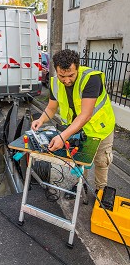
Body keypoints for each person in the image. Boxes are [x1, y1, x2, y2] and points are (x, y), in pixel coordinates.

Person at [31, 49, 115, 195]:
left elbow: (86, 114)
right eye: (62, 76)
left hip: (100, 129)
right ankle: (80, 185)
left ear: (77, 67)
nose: (67, 80)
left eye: (71, 75)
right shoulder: (55, 82)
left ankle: (100, 190)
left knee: (101, 161)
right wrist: (41, 119)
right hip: (76, 129)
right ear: (56, 69)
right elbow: (51, 107)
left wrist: (63, 136)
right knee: (79, 159)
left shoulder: (91, 79)